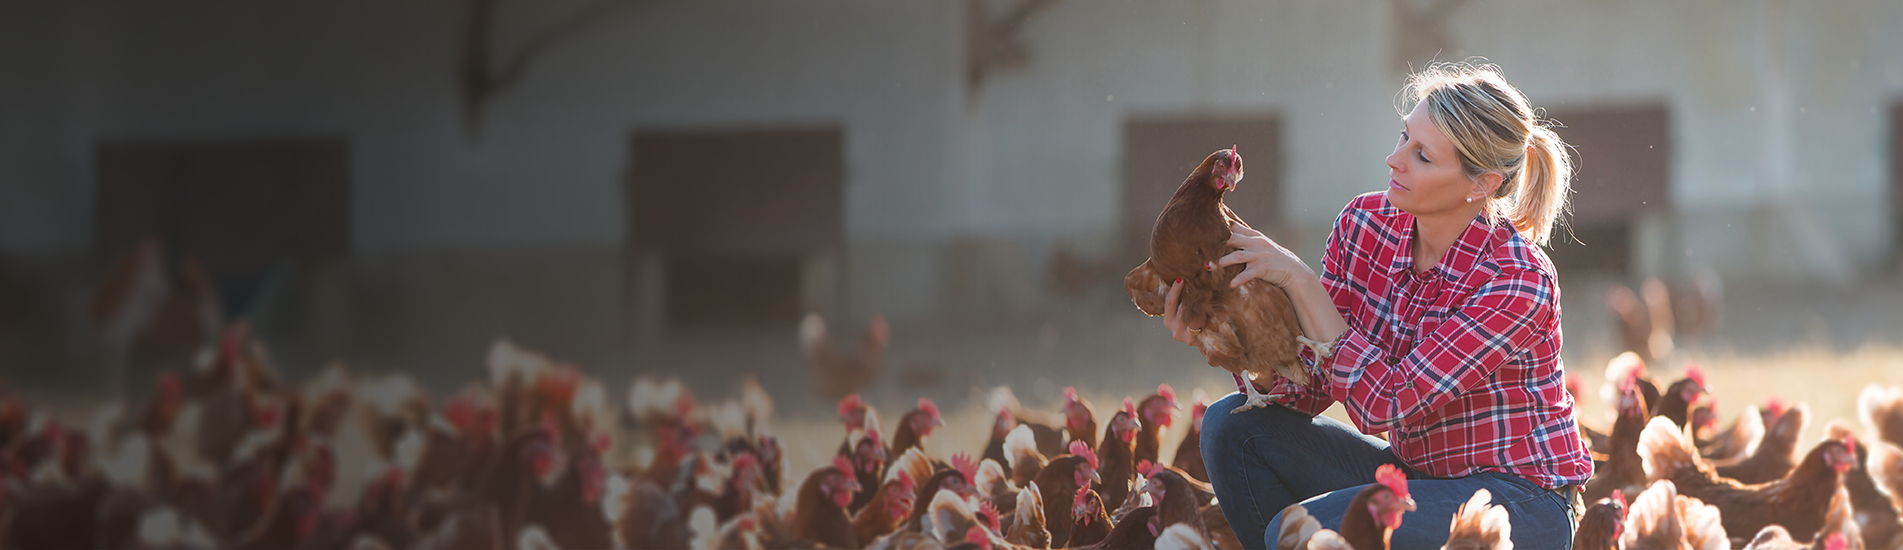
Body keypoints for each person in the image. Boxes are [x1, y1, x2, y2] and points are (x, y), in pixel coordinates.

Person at [1163, 61, 1591, 549]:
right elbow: (1310, 388)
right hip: (1416, 474)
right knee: (1230, 428)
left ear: (1482, 184)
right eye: (1404, 136)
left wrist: (1302, 284)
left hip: (1519, 499)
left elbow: (1387, 403)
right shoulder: (1365, 224)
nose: (1394, 159)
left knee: (1305, 529)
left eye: (1422, 155)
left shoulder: (1516, 280)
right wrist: (1228, 337)